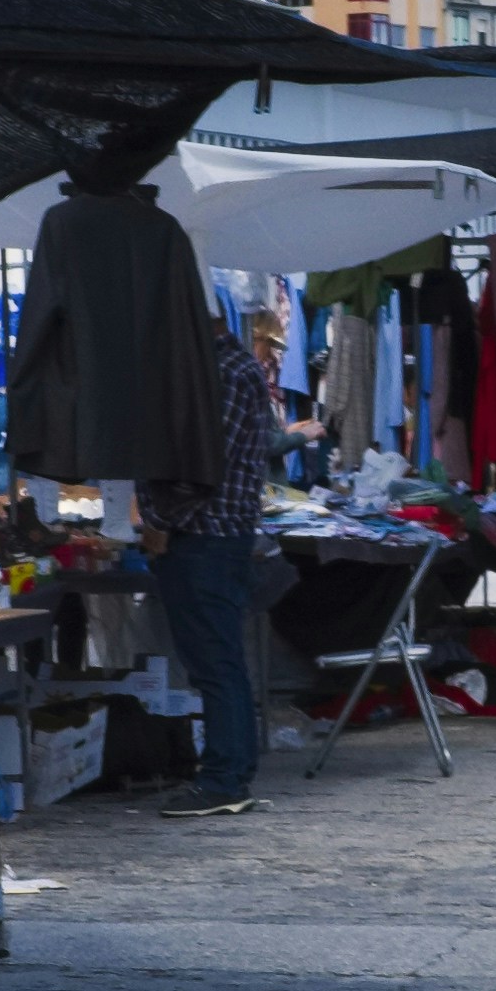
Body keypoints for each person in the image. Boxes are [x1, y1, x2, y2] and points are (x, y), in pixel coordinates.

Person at [139, 309, 286, 816]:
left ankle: (225, 777)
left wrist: (157, 519)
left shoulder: (223, 373)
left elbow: (200, 470)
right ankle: (228, 772)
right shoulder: (233, 369)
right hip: (214, 536)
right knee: (218, 661)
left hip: (205, 537)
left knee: (216, 662)